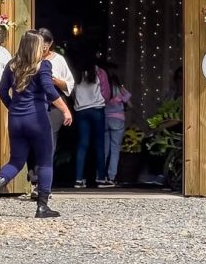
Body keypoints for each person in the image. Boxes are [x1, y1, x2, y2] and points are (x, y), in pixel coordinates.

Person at [0, 30, 72, 218]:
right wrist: (65, 109)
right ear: (36, 46)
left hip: (16, 120)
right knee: (45, 161)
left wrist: (13, 107)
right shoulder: (43, 65)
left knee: (16, 161)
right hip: (37, 119)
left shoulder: (12, 65)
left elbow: (2, 91)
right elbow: (48, 88)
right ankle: (42, 207)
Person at [24, 28, 74, 199]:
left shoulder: (58, 60)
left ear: (51, 43)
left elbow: (69, 84)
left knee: (49, 143)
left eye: (47, 42)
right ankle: (34, 180)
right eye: (41, 42)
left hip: (54, 106)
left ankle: (42, 186)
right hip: (33, 105)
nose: (44, 46)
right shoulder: (30, 58)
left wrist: (55, 81)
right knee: (31, 143)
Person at [73, 48, 112, 188]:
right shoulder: (99, 72)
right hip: (97, 110)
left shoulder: (76, 74)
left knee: (82, 145)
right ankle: (101, 178)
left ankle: (78, 179)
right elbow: (106, 93)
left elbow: (71, 92)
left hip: (81, 111)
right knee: (99, 145)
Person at [104, 71, 131, 185]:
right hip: (118, 120)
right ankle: (111, 177)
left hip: (105, 118)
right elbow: (129, 103)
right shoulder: (120, 89)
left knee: (104, 149)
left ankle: (100, 175)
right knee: (115, 150)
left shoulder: (103, 89)